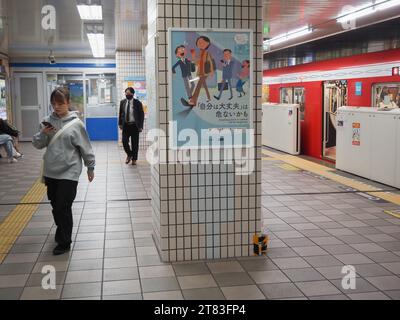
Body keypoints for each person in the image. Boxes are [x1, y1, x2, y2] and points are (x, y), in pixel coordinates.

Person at [32, 87, 95, 255]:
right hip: (51, 171)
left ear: (68, 103)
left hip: (70, 171)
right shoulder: (47, 121)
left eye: (60, 103)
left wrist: (90, 167)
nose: (57, 107)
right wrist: (42, 133)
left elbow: (85, 147)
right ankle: (62, 231)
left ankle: (64, 241)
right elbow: (37, 144)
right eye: (54, 103)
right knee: (55, 206)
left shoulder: (76, 124)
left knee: (63, 205)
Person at [181, 36, 214, 107]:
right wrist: (193, 56)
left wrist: (211, 71)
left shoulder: (207, 53)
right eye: (198, 43)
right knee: (204, 85)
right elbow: (197, 63)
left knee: (198, 86)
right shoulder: (200, 53)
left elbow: (210, 62)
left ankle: (193, 101)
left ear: (207, 43)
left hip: (205, 72)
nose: (200, 44)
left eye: (202, 42)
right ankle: (209, 97)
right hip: (200, 71)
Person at [118, 87, 145, 165]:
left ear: (133, 94)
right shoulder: (122, 102)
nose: (127, 95)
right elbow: (120, 114)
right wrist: (120, 123)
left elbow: (141, 115)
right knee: (124, 141)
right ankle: (129, 154)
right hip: (126, 125)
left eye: (129, 94)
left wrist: (140, 126)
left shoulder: (138, 103)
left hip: (134, 126)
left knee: (135, 143)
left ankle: (134, 159)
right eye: (126, 93)